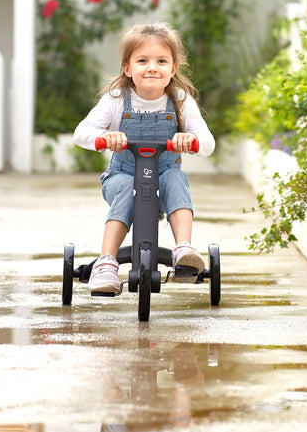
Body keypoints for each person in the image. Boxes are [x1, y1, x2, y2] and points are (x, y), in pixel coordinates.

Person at [73, 22, 216, 294]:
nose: (152, 67)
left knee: (176, 177)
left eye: (161, 61)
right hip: (122, 177)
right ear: (128, 68)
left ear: (173, 68)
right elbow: (81, 133)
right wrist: (105, 138)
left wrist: (191, 141)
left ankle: (183, 251)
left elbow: (208, 143)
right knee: (128, 187)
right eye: (142, 60)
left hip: (162, 183)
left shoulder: (181, 101)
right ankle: (106, 263)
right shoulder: (116, 99)